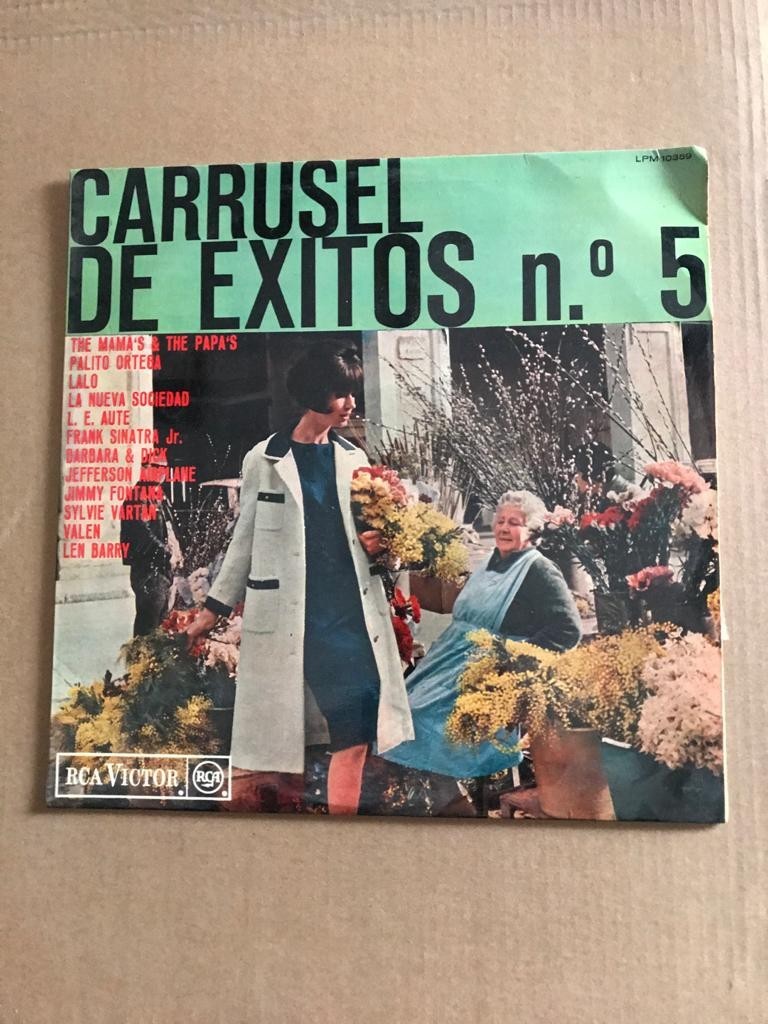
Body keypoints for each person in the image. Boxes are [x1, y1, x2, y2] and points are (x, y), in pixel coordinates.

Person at [185, 343, 413, 814]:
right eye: (341, 393)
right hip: (298, 619)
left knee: (356, 729)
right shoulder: (264, 459)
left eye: (352, 393)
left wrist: (383, 545)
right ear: (314, 392)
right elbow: (244, 541)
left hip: (352, 616)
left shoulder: (354, 460)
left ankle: (341, 823)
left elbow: (374, 540)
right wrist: (213, 610)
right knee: (292, 738)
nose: (351, 403)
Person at [382, 489, 582, 779]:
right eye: (500, 521)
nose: (503, 528)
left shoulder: (539, 570)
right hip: (447, 663)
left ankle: (448, 791)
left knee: (420, 719)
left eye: (514, 523)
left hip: (488, 672)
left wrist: (512, 661)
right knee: (396, 715)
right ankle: (430, 791)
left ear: (532, 530)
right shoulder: (490, 561)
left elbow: (568, 630)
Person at [120, 455, 175, 636]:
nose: (162, 472)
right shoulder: (139, 497)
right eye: (157, 467)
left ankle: (150, 654)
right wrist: (168, 553)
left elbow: (168, 528)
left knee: (160, 624)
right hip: (148, 571)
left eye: (164, 467)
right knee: (149, 625)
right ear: (145, 468)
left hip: (159, 569)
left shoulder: (156, 495)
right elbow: (144, 536)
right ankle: (140, 654)